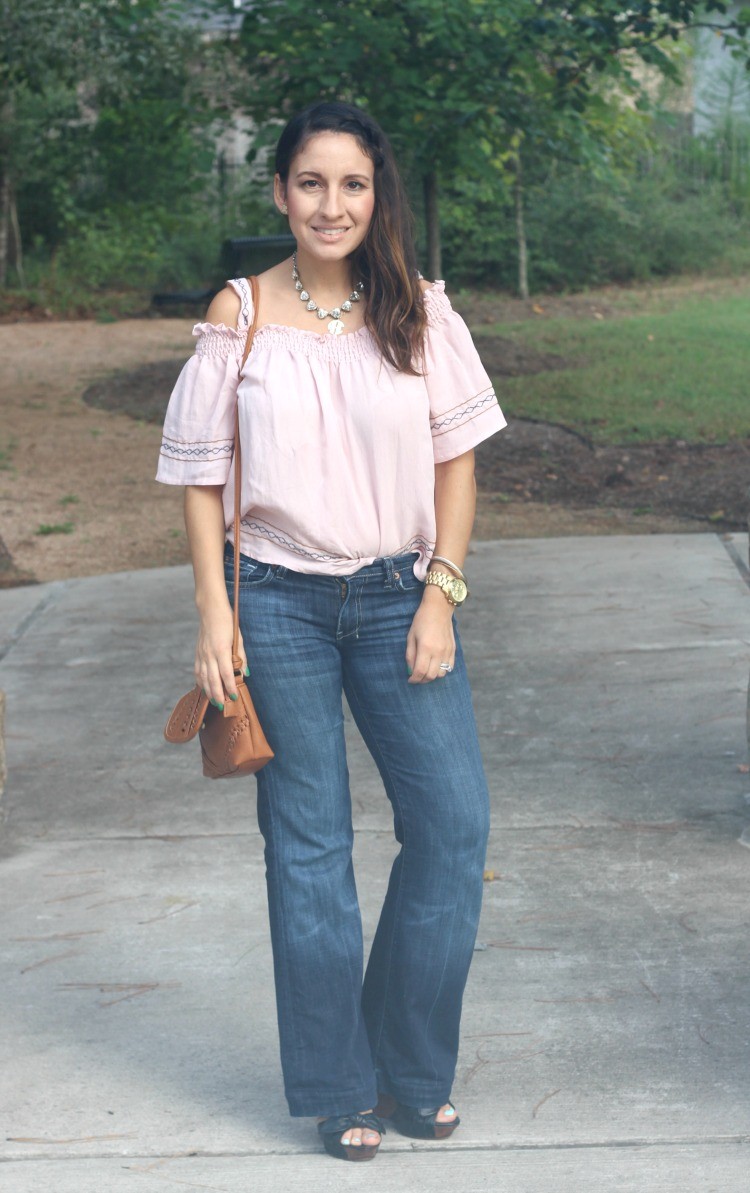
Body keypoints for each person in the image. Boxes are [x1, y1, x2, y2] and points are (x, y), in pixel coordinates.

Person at [156, 100, 506, 1162]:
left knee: (452, 828)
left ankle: (409, 1069)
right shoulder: (239, 315)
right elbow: (201, 477)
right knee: (309, 850)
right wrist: (216, 611)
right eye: (311, 183)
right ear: (279, 192)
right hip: (279, 603)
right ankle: (341, 1085)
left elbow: (456, 458)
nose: (331, 204)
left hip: (402, 593)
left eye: (352, 185)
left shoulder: (418, 308)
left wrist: (442, 590)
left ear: (376, 194)